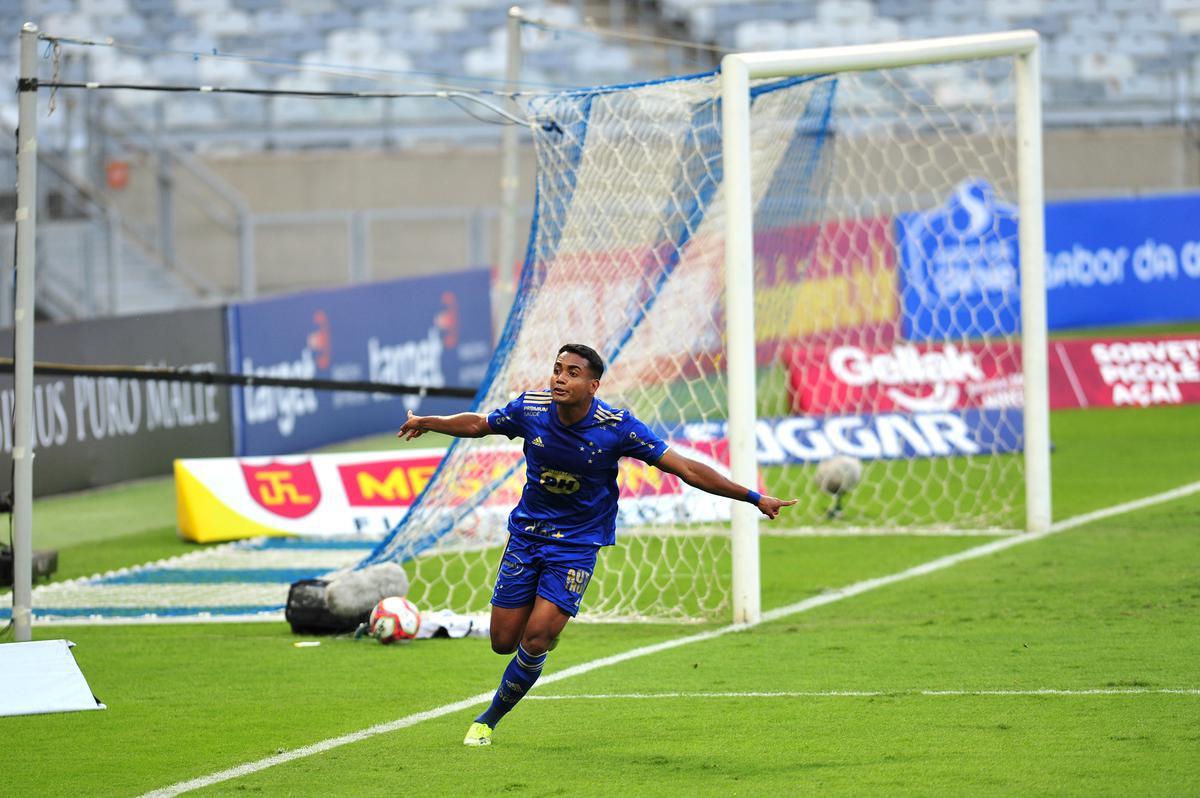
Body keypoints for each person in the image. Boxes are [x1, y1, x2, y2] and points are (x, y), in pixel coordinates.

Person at [397, 343, 796, 746]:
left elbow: (688, 469)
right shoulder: (530, 409)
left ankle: (487, 720)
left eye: (572, 372)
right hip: (527, 536)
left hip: (577, 545)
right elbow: (479, 424)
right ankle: (548, 627)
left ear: (593, 385)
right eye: (557, 369)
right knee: (503, 642)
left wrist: (753, 497)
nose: (560, 378)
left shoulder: (617, 427)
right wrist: (429, 421)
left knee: (534, 639)